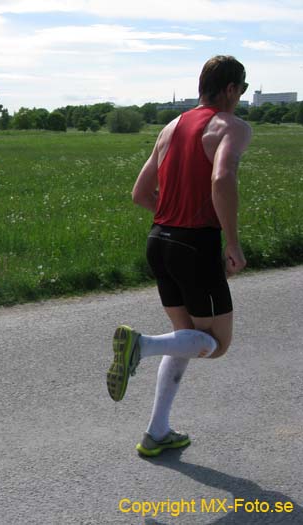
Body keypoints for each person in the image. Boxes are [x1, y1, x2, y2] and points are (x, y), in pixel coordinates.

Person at [107, 55, 252, 457]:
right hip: (195, 246)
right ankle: (142, 345)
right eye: (239, 90)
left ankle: (157, 431)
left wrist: (173, 219)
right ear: (230, 89)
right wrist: (233, 244)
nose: (239, 98)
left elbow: (140, 194)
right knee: (215, 343)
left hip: (160, 240)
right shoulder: (231, 126)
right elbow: (221, 177)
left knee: (185, 339)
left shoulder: (171, 126)